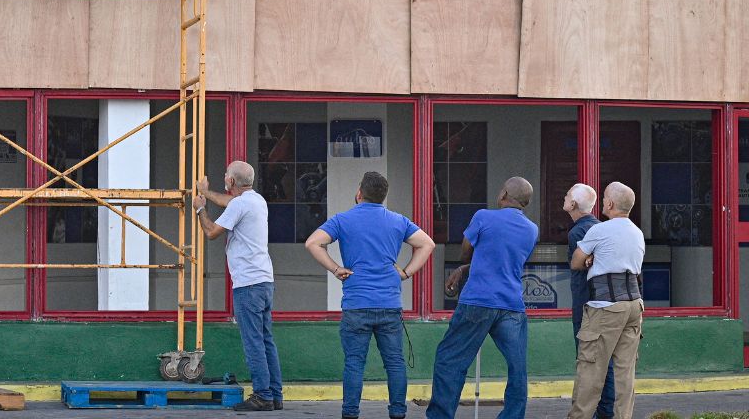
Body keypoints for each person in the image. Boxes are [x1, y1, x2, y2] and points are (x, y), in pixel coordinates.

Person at [304, 172, 435, 419]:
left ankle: (350, 413)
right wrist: (405, 273)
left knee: (354, 362)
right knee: (395, 362)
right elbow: (427, 244)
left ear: (359, 193)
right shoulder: (398, 221)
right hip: (389, 303)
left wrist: (335, 268)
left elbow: (313, 243)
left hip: (356, 304)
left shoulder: (342, 220)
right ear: (383, 197)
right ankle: (397, 412)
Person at [426, 176, 538, 419]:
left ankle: (440, 416)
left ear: (504, 194)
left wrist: (463, 265)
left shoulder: (483, 217)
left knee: (450, 360)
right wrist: (466, 269)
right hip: (511, 305)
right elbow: (504, 260)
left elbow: (466, 250)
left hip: (477, 301)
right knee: (517, 367)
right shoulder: (532, 229)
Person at [194, 161, 283, 412]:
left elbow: (211, 232)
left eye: (226, 177)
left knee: (253, 341)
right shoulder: (256, 201)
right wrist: (208, 193)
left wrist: (200, 208)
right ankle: (275, 395)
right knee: (266, 340)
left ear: (231, 181)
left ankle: (263, 396)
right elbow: (228, 203)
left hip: (248, 284)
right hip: (265, 281)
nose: (225, 178)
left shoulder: (241, 204)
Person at [567, 182, 646, 419]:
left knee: (590, 370)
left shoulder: (599, 231)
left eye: (604, 198)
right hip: (634, 306)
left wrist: (591, 258)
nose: (602, 202)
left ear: (610, 204)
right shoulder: (637, 232)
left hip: (605, 306)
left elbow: (576, 263)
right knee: (625, 373)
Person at [564, 183, 615, 419]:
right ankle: (606, 411)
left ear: (573, 204)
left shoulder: (577, 233)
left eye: (567, 196)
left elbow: (581, 265)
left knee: (587, 361)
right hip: (606, 301)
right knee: (606, 360)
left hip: (586, 302)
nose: (564, 198)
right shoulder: (603, 227)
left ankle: (595, 412)